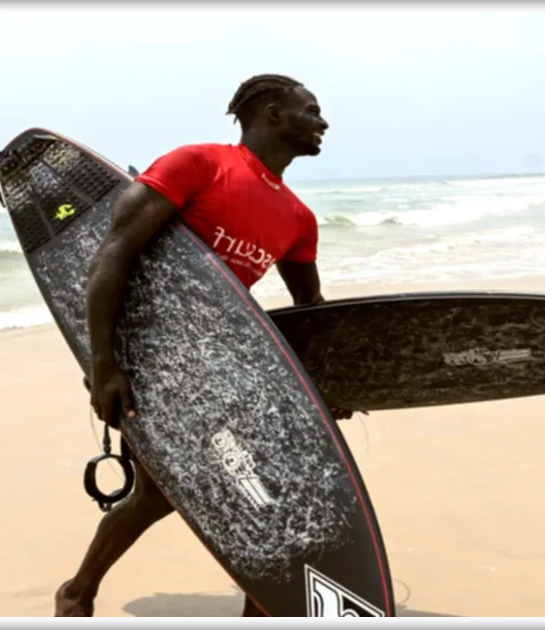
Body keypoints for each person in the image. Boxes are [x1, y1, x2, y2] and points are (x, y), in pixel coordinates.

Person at [55, 74, 352, 618]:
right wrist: (103, 364)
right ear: (273, 114)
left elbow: (311, 311)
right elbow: (112, 256)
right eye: (311, 110)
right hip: (150, 366)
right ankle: (78, 591)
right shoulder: (198, 165)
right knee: (164, 494)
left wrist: (332, 385)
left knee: (249, 492)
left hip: (221, 370)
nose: (323, 122)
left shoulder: (298, 218)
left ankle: (84, 591)